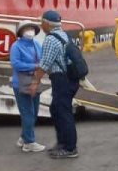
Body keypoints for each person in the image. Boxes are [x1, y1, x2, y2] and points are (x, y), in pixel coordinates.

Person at [27, 10, 79, 159]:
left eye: (41, 22)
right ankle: (62, 143)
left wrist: (35, 82)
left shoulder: (50, 39)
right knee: (56, 109)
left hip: (62, 79)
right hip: (70, 79)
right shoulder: (64, 35)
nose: (40, 25)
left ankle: (70, 148)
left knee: (63, 112)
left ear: (46, 23)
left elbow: (44, 64)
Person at [11, 20, 46, 153]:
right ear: (21, 32)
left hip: (35, 80)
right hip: (20, 83)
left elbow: (43, 60)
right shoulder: (16, 46)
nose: (29, 31)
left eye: (31, 28)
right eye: (26, 29)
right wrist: (35, 66)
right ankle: (29, 143)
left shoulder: (37, 44)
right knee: (27, 113)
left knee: (34, 112)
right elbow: (16, 64)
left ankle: (23, 137)